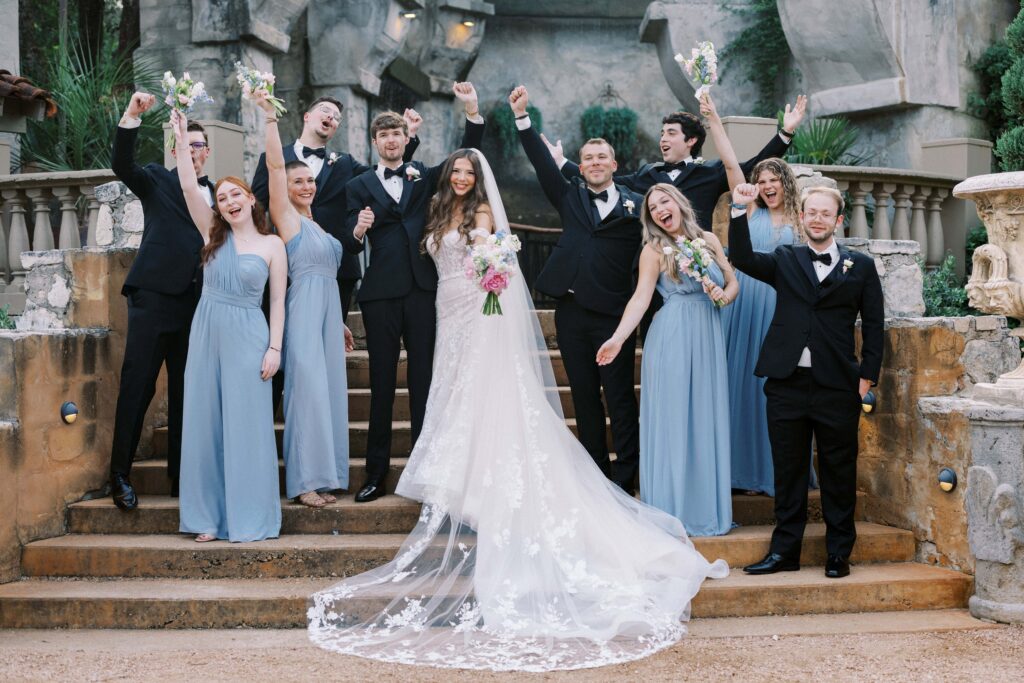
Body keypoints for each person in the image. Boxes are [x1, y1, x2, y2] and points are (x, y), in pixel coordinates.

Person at [308, 148, 728, 671]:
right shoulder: (436, 209)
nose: (462, 177)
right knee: (455, 393)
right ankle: (464, 479)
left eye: (468, 171)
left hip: (479, 311)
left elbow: (493, 257)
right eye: (456, 171)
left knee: (487, 396)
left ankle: (485, 482)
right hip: (448, 310)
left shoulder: (483, 212)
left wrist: (491, 268)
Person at [728, 184, 884, 578]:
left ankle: (838, 553)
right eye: (810, 212)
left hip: (837, 385)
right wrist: (737, 210)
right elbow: (743, 258)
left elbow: (876, 326)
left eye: (824, 213)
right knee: (789, 470)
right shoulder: (785, 259)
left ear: (838, 220)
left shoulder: (860, 266)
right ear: (802, 217)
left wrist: (866, 378)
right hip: (786, 382)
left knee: (838, 470)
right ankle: (784, 553)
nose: (816, 219)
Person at [342, 82, 485, 503]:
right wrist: (359, 228)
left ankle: (425, 474)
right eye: (383, 135)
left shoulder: (424, 177)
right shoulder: (359, 184)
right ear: (375, 142)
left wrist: (472, 112)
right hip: (380, 295)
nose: (390, 141)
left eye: (397, 135)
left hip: (426, 291)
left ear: (407, 140)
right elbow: (349, 243)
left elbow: (465, 159)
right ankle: (375, 474)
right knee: (382, 385)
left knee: (426, 381)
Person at [511, 84, 644, 492]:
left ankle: (627, 477)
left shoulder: (638, 205)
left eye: (602, 156)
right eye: (588, 158)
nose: (595, 162)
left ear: (614, 163)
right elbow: (540, 163)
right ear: (580, 166)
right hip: (570, 312)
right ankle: (595, 478)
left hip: (613, 315)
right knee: (584, 396)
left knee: (620, 399)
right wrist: (523, 119)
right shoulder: (568, 196)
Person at [170, 110, 288, 543]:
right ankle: (206, 518)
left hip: (250, 336)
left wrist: (275, 348)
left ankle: (248, 516)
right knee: (204, 422)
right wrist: (182, 138)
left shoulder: (274, 245)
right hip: (207, 333)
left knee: (247, 426)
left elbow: (277, 299)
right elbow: (187, 184)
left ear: (251, 199)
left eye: (236, 194)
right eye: (223, 198)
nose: (230, 202)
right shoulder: (210, 234)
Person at [597, 184, 738, 537]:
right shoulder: (653, 249)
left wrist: (724, 295)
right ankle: (671, 510)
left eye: (665, 201)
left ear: (679, 203)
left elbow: (733, 282)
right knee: (674, 419)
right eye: (653, 207)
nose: (660, 209)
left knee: (705, 419)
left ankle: (705, 509)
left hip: (708, 335)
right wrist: (618, 337)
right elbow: (641, 299)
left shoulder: (708, 239)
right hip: (672, 335)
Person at [252, 91, 355, 508]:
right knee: (305, 391)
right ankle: (304, 481)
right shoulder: (287, 217)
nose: (307, 186)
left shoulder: (315, 223)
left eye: (310, 180)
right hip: (303, 314)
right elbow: (275, 165)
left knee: (328, 392)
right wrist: (269, 118)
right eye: (299, 182)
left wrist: (341, 321)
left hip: (329, 315)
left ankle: (327, 473)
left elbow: (326, 274)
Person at [108, 92, 209, 510]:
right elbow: (122, 165)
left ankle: (181, 479)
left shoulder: (221, 194)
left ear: (207, 153)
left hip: (198, 305)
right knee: (138, 385)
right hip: (153, 297)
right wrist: (132, 115)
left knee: (189, 392)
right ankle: (119, 474)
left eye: (200, 146)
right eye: (187, 145)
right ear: (175, 147)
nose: (194, 152)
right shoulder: (155, 178)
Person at [251, 99, 422, 321]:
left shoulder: (346, 163)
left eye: (336, 117)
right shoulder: (274, 158)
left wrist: (407, 137)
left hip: (338, 268)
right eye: (325, 111)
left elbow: (385, 175)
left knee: (331, 334)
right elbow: (257, 207)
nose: (331, 117)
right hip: (286, 263)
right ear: (306, 116)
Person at [551, 96, 807, 230]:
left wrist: (785, 134)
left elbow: (753, 165)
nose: (663, 138)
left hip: (699, 260)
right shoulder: (645, 175)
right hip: (654, 265)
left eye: (671, 133)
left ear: (691, 140)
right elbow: (604, 179)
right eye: (662, 133)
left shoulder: (711, 172)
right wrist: (562, 162)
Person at [720, 158, 818, 496]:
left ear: (786, 182)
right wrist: (713, 120)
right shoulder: (748, 213)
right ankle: (740, 472)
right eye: (761, 181)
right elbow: (732, 168)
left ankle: (776, 472)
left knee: (776, 391)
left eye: (774, 179)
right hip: (744, 306)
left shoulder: (801, 220)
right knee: (741, 384)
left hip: (780, 308)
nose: (767, 186)